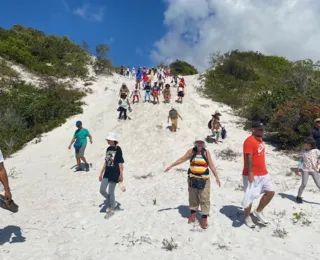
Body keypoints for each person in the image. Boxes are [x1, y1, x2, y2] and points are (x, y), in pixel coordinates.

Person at [164, 137, 221, 229]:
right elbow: (182, 159)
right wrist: (171, 166)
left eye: (201, 142)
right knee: (193, 197)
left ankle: (204, 217)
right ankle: (193, 214)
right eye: (198, 142)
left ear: (203, 144)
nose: (199, 144)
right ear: (195, 143)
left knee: (204, 198)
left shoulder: (206, 152)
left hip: (204, 179)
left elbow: (211, 165)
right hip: (192, 179)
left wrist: (217, 177)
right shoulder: (192, 151)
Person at [242, 122, 275, 228]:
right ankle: (247, 217)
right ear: (253, 129)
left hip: (263, 173)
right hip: (252, 174)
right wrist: (250, 173)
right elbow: (249, 158)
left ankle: (258, 211)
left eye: (262, 129)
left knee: (270, 192)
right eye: (259, 129)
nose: (262, 131)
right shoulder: (249, 141)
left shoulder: (260, 140)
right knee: (250, 197)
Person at [99, 133, 124, 219]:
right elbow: (107, 161)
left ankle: (111, 209)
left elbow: (120, 162)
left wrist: (121, 174)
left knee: (111, 192)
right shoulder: (108, 148)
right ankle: (112, 201)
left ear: (113, 140)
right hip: (107, 172)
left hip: (115, 172)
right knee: (102, 190)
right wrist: (101, 172)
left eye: (109, 140)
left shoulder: (118, 149)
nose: (107, 141)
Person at [296, 138, 320, 203]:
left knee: (318, 184)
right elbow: (300, 160)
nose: (304, 144)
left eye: (305, 143)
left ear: (309, 145)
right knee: (303, 184)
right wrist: (298, 168)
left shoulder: (316, 151)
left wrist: (318, 164)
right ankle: (298, 197)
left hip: (313, 169)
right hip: (305, 169)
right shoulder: (303, 151)